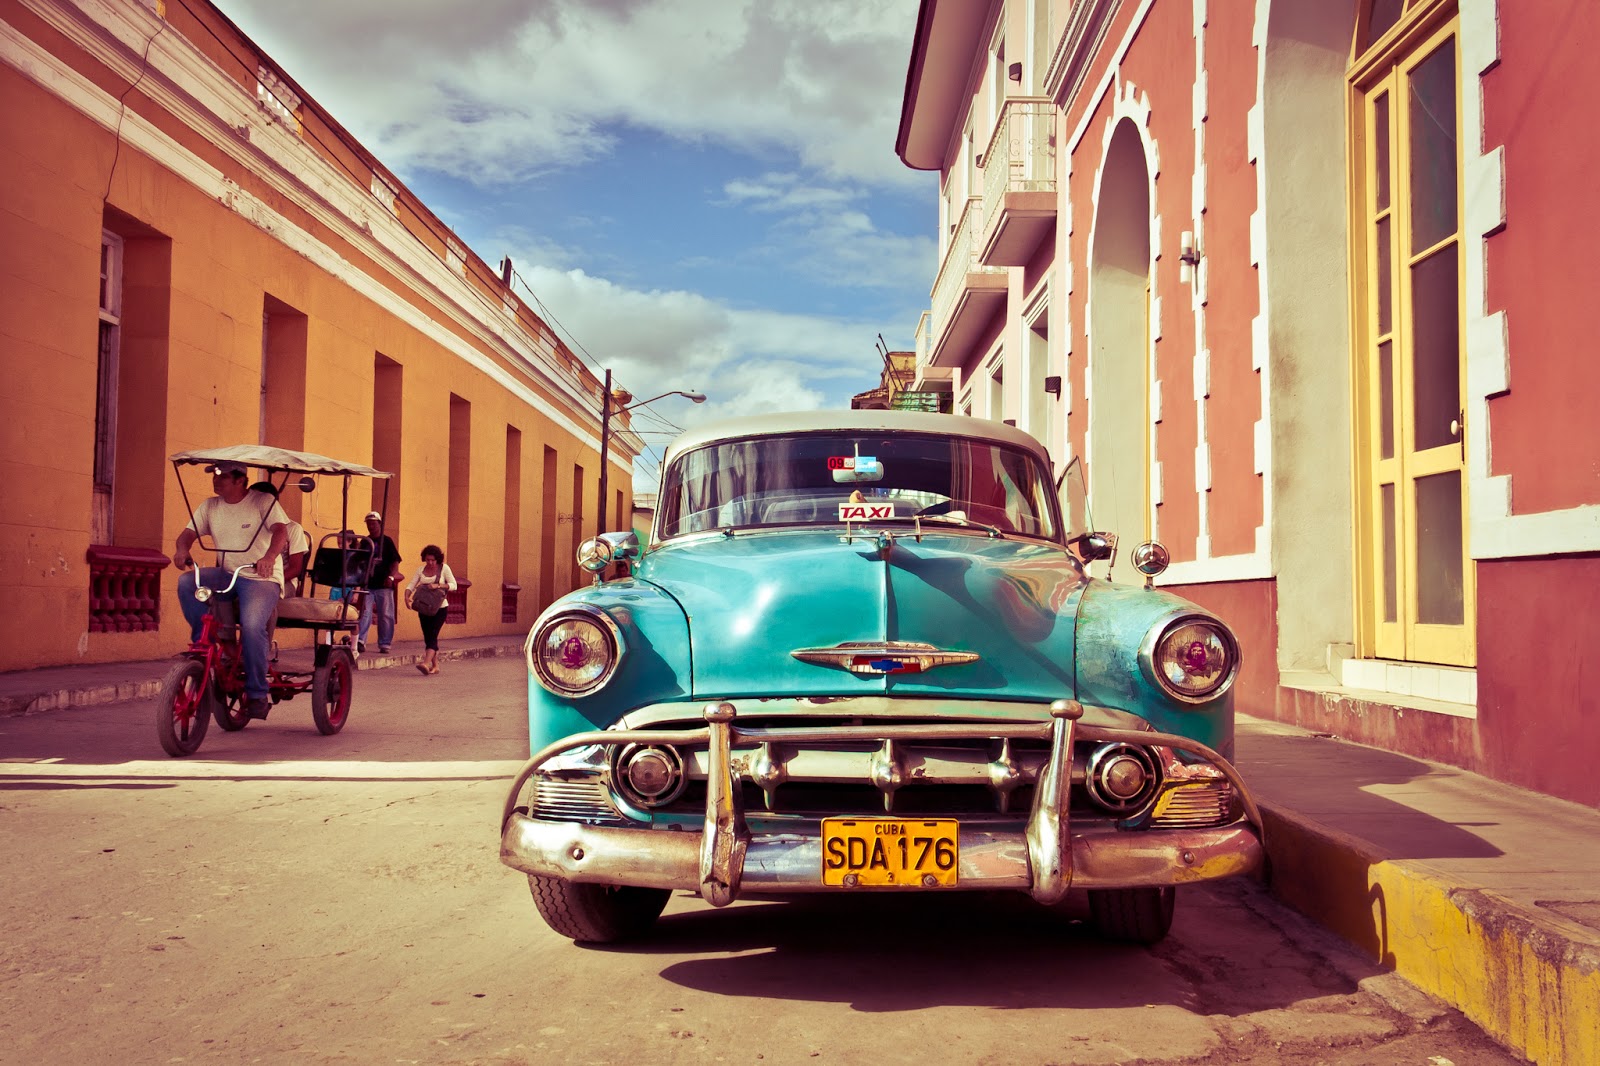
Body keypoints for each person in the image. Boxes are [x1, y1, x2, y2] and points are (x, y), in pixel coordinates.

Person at [174, 461, 289, 720]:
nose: (216, 481)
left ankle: (258, 694)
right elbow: (187, 534)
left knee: (251, 626)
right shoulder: (210, 505)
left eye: (222, 477)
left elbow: (281, 532)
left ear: (240, 481)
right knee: (187, 582)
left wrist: (269, 557)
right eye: (215, 476)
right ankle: (203, 649)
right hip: (227, 574)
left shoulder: (263, 501)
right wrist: (182, 549)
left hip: (260, 578)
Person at [403, 544, 457, 675]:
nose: (430, 562)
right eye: (428, 560)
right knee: (428, 637)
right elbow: (412, 583)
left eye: (433, 560)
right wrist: (406, 595)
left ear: (438, 559)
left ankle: (425, 664)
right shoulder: (421, 570)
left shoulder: (444, 569)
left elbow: (454, 585)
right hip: (424, 608)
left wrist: (438, 585)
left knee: (433, 635)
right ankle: (436, 666)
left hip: (440, 608)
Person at [356, 510, 402, 654]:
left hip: (383, 584)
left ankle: (385, 643)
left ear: (379, 524)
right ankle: (360, 640)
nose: (371, 526)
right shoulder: (365, 541)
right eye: (369, 524)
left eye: (373, 523)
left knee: (386, 614)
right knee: (364, 613)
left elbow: (395, 561)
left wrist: (391, 577)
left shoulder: (387, 541)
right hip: (368, 583)